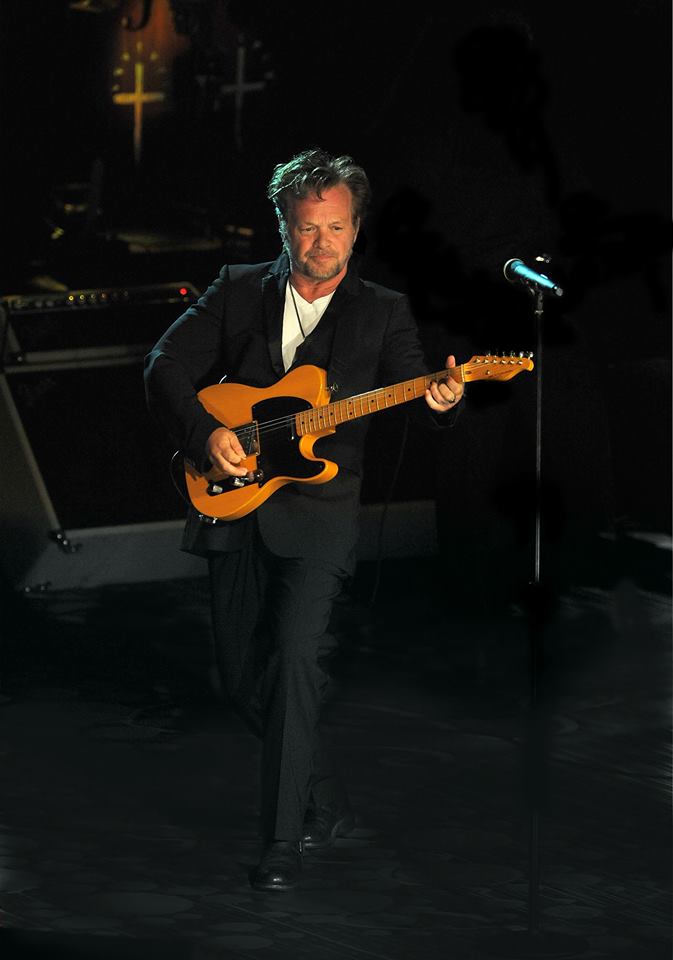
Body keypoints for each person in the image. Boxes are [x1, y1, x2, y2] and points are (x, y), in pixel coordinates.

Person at [144, 147, 464, 892]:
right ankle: (327, 799)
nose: (323, 243)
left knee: (294, 662)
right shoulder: (237, 289)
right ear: (283, 227)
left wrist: (442, 402)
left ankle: (282, 842)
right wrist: (205, 434)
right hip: (232, 503)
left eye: (337, 228)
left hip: (320, 517)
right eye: (308, 227)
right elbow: (163, 365)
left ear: (357, 230)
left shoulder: (382, 310)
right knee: (239, 681)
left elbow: (415, 388)